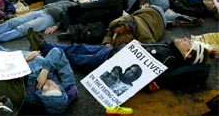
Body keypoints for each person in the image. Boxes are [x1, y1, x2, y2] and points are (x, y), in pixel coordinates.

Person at [27, 32, 211, 92]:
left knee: (76, 58)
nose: (185, 38)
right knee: (79, 47)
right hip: (112, 52)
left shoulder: (169, 59)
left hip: (110, 61)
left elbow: (150, 80)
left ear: (188, 54)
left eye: (189, 42)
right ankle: (45, 46)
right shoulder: (169, 49)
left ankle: (45, 51)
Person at [0, 0, 76, 43]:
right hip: (42, 11)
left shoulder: (76, 8)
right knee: (14, 21)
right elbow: (50, 4)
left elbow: (68, 18)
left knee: (24, 28)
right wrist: (34, 11)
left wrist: (56, 26)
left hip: (50, 18)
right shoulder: (67, 0)